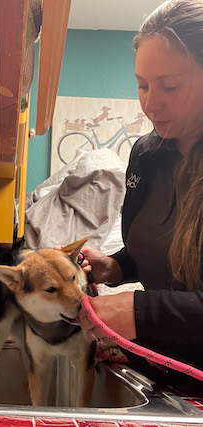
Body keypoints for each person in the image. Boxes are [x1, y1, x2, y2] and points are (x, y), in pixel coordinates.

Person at [79, 0, 203, 373]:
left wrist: (138, 310)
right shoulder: (146, 154)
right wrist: (116, 266)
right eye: (142, 85)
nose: (150, 103)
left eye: (170, 85)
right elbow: (167, 251)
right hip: (162, 368)